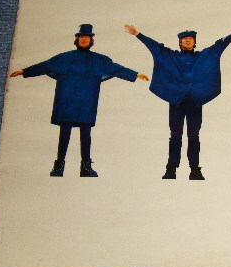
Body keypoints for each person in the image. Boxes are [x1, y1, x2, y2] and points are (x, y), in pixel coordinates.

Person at [10, 24, 149, 177]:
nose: (84, 39)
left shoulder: (99, 59)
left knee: (85, 133)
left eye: (87, 37)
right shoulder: (65, 57)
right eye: (81, 36)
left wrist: (135, 74)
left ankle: (86, 167)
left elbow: (116, 68)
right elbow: (46, 65)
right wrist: (24, 71)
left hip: (87, 101)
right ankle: (59, 166)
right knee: (64, 132)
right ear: (77, 39)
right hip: (67, 99)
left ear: (91, 41)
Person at [124, 18, 231, 180]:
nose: (188, 40)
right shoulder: (172, 56)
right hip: (177, 100)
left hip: (195, 101)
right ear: (180, 42)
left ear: (194, 42)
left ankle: (195, 169)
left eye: (190, 38)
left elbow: (219, 46)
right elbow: (155, 47)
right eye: (184, 39)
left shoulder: (202, 56)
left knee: (194, 135)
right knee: (175, 135)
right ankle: (171, 169)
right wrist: (138, 35)